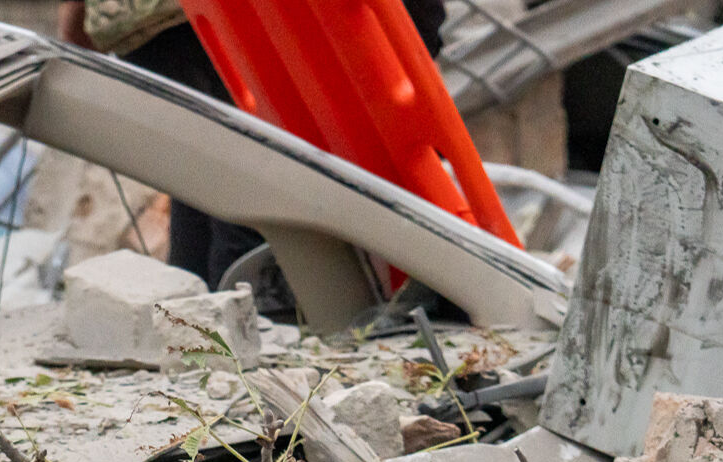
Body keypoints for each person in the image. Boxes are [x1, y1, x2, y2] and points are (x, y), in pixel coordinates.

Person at [57, 0, 446, 288]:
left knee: (202, 181)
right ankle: (246, 329)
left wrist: (79, 26)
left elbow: (75, 28)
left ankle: (200, 333)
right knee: (242, 181)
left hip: (142, 29)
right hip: (223, 19)